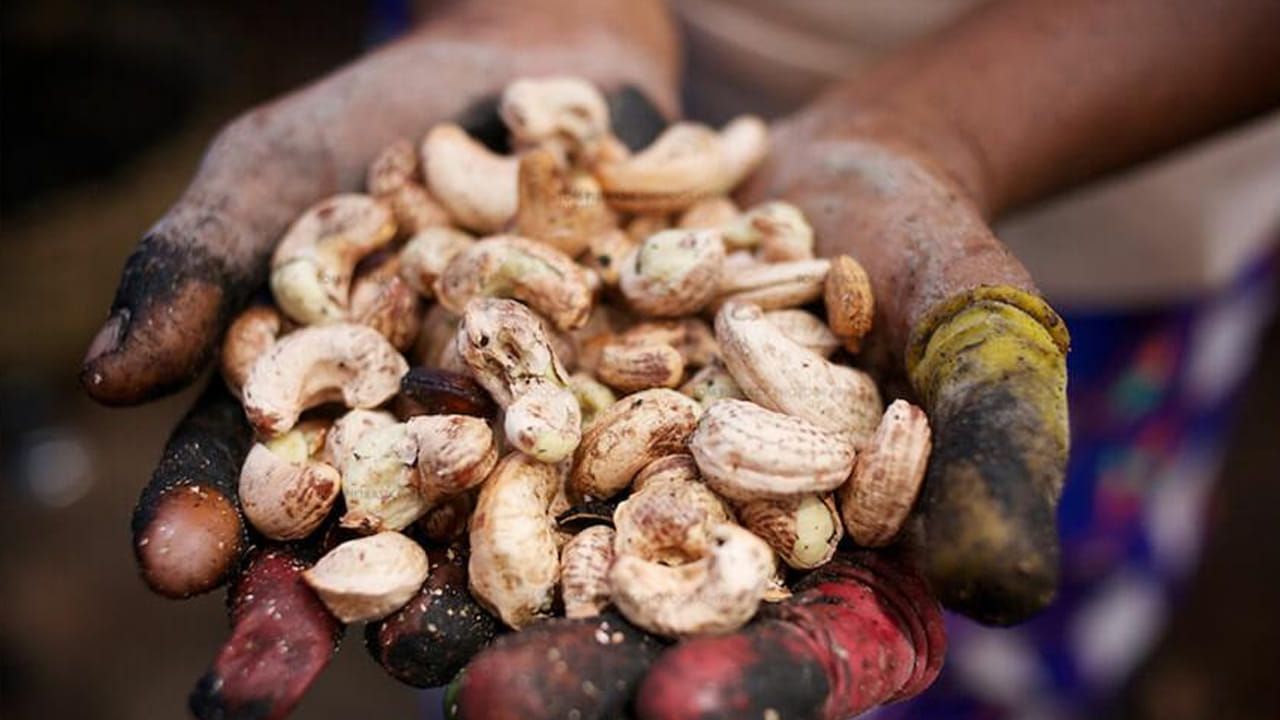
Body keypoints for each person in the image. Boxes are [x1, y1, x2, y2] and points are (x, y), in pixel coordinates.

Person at [80, 0, 1280, 717]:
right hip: (550, 58)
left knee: (989, 554)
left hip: (1103, 178)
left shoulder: (757, 331)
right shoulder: (507, 302)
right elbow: (550, 391)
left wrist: (933, 130)